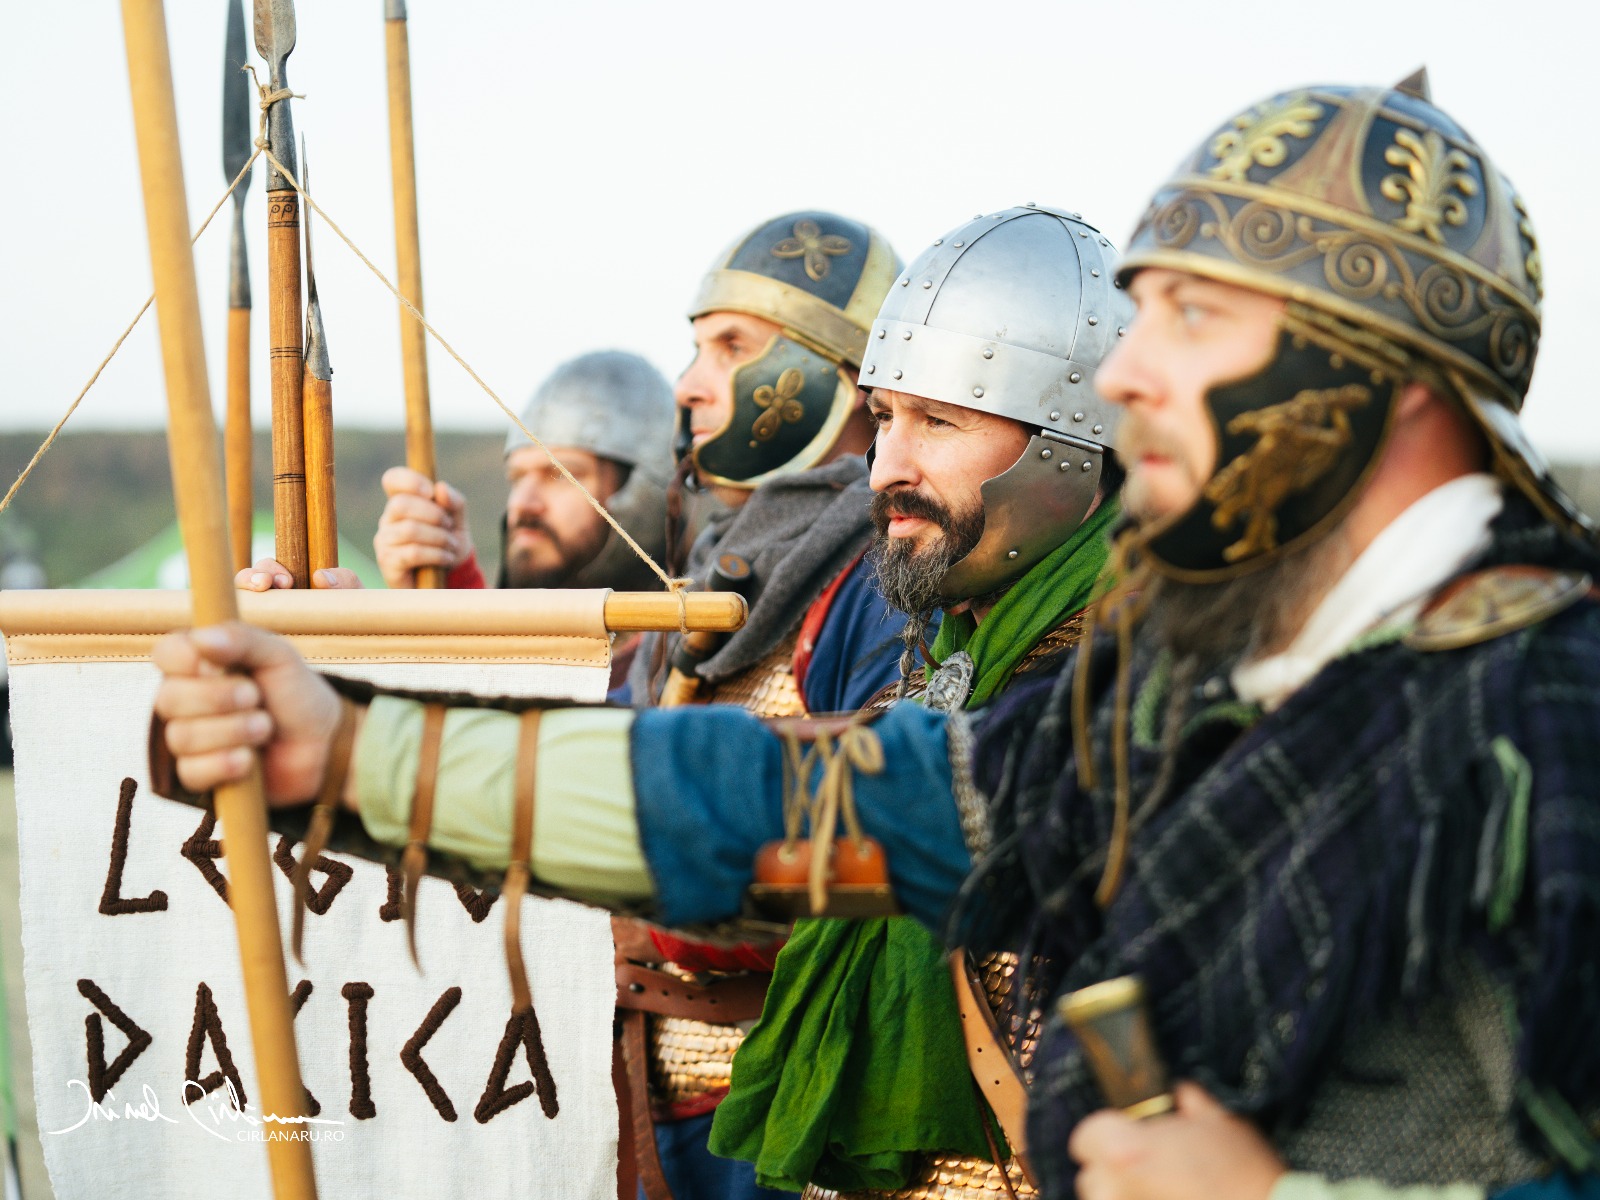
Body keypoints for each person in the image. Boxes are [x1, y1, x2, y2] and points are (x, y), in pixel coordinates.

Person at [151, 76, 1600, 1200]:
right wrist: (348, 750)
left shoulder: (1560, 704)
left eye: (1194, 320)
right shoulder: (1166, 701)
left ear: (1390, 385)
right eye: (1140, 318)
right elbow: (812, 808)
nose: (1133, 371)